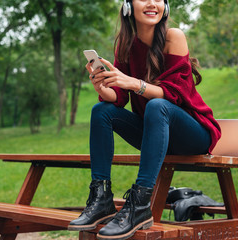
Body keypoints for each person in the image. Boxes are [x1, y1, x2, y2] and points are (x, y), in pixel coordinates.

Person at [68, 0, 221, 239]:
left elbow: (174, 95)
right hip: (155, 131)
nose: (152, 3)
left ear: (166, 7)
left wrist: (135, 84)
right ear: (128, 6)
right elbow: (117, 99)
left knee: (157, 105)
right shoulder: (126, 45)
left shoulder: (174, 36)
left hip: (193, 134)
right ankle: (101, 199)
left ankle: (139, 204)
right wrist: (103, 86)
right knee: (101, 111)